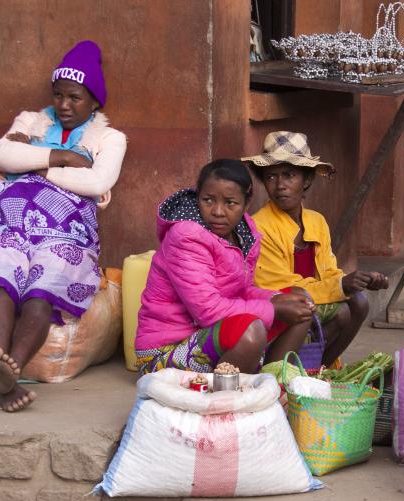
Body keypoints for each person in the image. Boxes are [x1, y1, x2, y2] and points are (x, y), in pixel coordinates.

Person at [0, 40, 127, 412]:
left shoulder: (109, 138)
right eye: (58, 96)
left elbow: (97, 183)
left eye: (74, 98)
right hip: (9, 220)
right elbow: (2, 154)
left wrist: (36, 165)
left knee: (43, 290)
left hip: (67, 231)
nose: (64, 106)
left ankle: (11, 368)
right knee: (2, 276)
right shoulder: (31, 120)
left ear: (94, 102)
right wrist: (66, 159)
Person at [135, 159, 315, 375]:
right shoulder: (186, 236)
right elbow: (208, 310)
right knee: (250, 331)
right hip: (165, 352)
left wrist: (275, 298)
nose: (218, 211)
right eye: (208, 200)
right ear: (197, 195)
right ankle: (234, 400)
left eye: (230, 203)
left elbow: (242, 291)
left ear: (246, 203)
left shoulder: (242, 233)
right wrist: (274, 309)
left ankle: (271, 383)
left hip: (209, 334)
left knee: (300, 302)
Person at [244, 132, 388, 366]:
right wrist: (340, 286)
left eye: (289, 175)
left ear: (307, 180)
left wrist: (360, 280)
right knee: (340, 312)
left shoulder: (316, 221)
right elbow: (280, 285)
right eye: (271, 177)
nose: (280, 185)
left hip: (311, 299)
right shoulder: (259, 225)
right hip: (277, 306)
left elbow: (328, 272)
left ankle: (321, 367)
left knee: (359, 302)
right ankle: (288, 369)